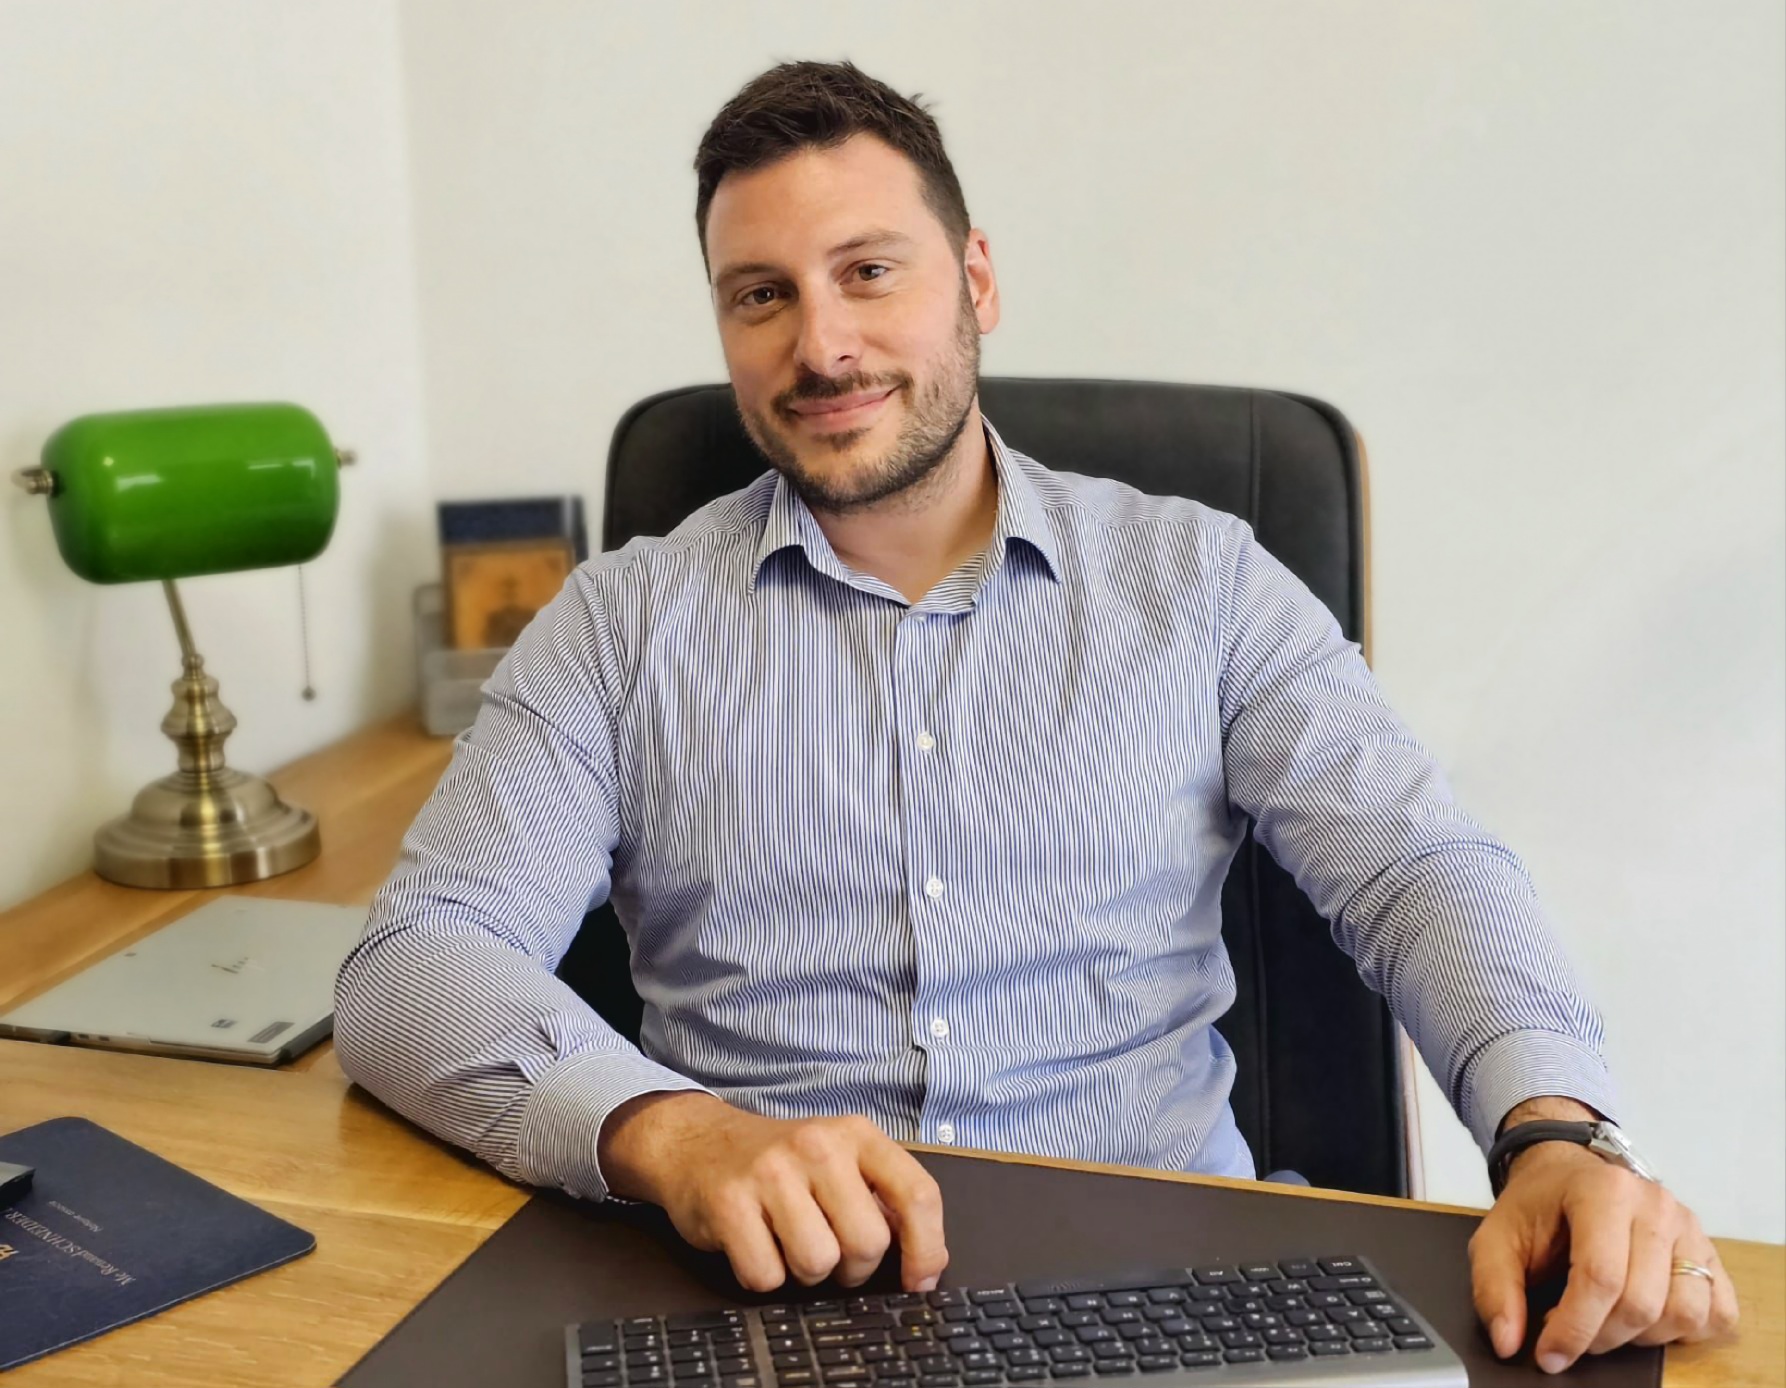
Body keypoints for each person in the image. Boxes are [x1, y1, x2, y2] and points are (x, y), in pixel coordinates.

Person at [335, 60, 1738, 1375]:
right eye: (759, 296)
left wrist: (1555, 1131)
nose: (820, 344)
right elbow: (416, 964)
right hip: (763, 1301)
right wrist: (670, 1132)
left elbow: (1415, 867)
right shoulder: (619, 623)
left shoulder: (1196, 583)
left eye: (867, 272)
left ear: (977, 280)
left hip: (1171, 1298)